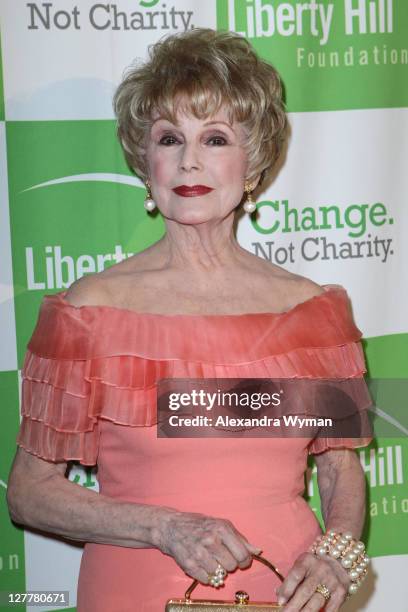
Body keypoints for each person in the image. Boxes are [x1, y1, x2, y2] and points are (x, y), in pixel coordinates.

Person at [7, 28, 373, 611]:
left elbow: (338, 469)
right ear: (145, 161)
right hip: (138, 592)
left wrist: (337, 552)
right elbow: (29, 494)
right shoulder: (88, 312)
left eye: (217, 138)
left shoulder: (315, 313)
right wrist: (164, 527)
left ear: (252, 164)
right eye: (171, 137)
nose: (190, 160)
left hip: (289, 594)